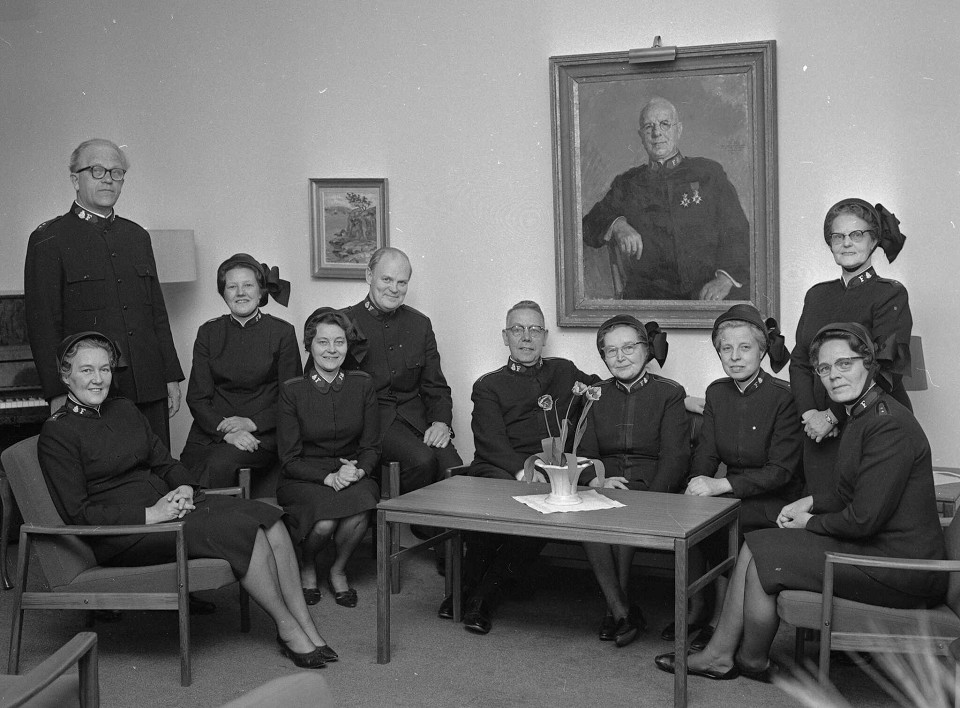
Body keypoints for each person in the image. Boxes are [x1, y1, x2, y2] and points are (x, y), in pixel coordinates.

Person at [655, 323, 946, 683]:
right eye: (825, 368)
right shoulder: (863, 413)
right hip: (880, 548)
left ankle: (744, 658)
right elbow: (857, 491)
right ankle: (726, 655)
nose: (834, 375)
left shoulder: (888, 425)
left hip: (900, 567)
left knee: (765, 554)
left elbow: (862, 520)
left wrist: (808, 522)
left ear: (869, 363)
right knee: (757, 543)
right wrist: (810, 501)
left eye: (845, 364)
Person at [38, 332, 336, 669]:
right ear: (66, 376)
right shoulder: (58, 432)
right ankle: (288, 629)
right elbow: (78, 513)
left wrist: (183, 487)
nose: (98, 379)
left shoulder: (124, 409)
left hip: (173, 508)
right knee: (246, 531)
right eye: (87, 370)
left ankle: (307, 625)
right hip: (127, 534)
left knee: (270, 518)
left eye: (104, 369)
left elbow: (164, 463)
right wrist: (152, 514)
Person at [439, 300, 601, 635]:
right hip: (500, 467)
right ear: (505, 337)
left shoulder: (565, 371)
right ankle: (467, 587)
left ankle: (480, 597)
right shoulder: (488, 385)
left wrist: (682, 399)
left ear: (545, 337)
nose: (526, 337)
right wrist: (525, 472)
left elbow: (604, 390)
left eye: (534, 330)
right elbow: (491, 443)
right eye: (517, 329)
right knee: (500, 499)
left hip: (550, 471)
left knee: (548, 504)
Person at [24, 139, 184, 448]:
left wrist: (170, 376)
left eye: (116, 172)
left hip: (148, 384)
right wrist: (56, 391)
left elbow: (156, 314)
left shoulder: (137, 236)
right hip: (91, 390)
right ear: (76, 180)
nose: (108, 179)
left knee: (157, 467)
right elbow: (43, 326)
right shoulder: (49, 239)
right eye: (97, 170)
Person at [680, 304, 802, 650]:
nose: (734, 357)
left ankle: (722, 625)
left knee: (728, 524)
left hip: (774, 499)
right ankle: (704, 613)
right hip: (731, 494)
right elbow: (707, 453)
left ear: (761, 351)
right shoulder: (717, 392)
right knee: (695, 516)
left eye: (744, 347)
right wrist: (696, 483)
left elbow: (781, 472)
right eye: (726, 348)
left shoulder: (784, 397)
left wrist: (720, 485)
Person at [577, 314, 689, 647]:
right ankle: (622, 611)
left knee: (625, 511)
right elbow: (584, 452)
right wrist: (598, 481)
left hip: (651, 486)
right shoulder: (594, 394)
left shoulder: (670, 393)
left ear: (645, 349)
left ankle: (615, 611)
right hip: (606, 486)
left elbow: (675, 458)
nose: (620, 357)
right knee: (590, 516)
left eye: (628, 347)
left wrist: (650, 498)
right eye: (611, 351)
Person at [791, 198, 911, 498]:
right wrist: (811, 414)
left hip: (870, 422)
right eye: (838, 236)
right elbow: (800, 361)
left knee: (863, 508)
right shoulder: (816, 295)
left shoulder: (889, 294)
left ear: (873, 240)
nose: (846, 243)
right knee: (819, 507)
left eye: (856, 234)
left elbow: (886, 365)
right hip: (817, 430)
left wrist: (831, 416)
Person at [582, 97, 750, 301]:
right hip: (648, 297)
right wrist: (618, 225)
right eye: (648, 127)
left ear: (678, 130)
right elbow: (588, 226)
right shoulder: (628, 183)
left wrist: (725, 279)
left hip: (708, 292)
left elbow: (737, 230)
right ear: (641, 136)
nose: (656, 133)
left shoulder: (708, 173)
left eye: (664, 124)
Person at [277, 308, 380, 608]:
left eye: (339, 342)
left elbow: (371, 447)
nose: (332, 350)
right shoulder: (293, 391)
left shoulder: (362, 384)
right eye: (323, 342)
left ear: (348, 346)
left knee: (360, 508)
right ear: (309, 345)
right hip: (304, 476)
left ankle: (337, 569)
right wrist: (328, 478)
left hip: (351, 469)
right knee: (324, 523)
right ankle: (308, 565)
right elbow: (289, 459)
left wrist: (359, 472)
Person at [343, 247, 462, 498]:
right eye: (386, 279)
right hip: (372, 423)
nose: (394, 289)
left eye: (402, 282)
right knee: (422, 460)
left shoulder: (420, 324)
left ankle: (435, 523)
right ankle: (413, 520)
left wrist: (441, 423)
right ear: (369, 276)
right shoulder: (343, 322)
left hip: (415, 418)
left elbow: (435, 385)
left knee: (454, 467)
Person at [179, 254, 299, 493]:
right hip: (213, 431)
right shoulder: (208, 332)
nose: (240, 293)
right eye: (232, 287)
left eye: (248, 285)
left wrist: (251, 423)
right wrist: (226, 433)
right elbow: (197, 397)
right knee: (179, 475)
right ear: (223, 293)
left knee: (217, 465)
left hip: (262, 432)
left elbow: (291, 398)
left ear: (261, 291)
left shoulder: (282, 333)